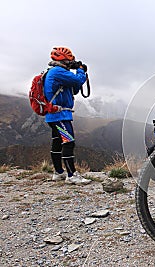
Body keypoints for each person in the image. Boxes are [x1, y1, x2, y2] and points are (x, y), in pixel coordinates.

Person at [44, 47, 91, 185]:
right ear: (63, 60)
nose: (72, 62)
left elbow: (74, 89)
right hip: (60, 115)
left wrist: (77, 73)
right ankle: (71, 175)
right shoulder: (58, 71)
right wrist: (81, 70)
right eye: (70, 60)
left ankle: (58, 172)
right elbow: (77, 81)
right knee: (68, 142)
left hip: (53, 114)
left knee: (57, 142)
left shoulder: (55, 72)